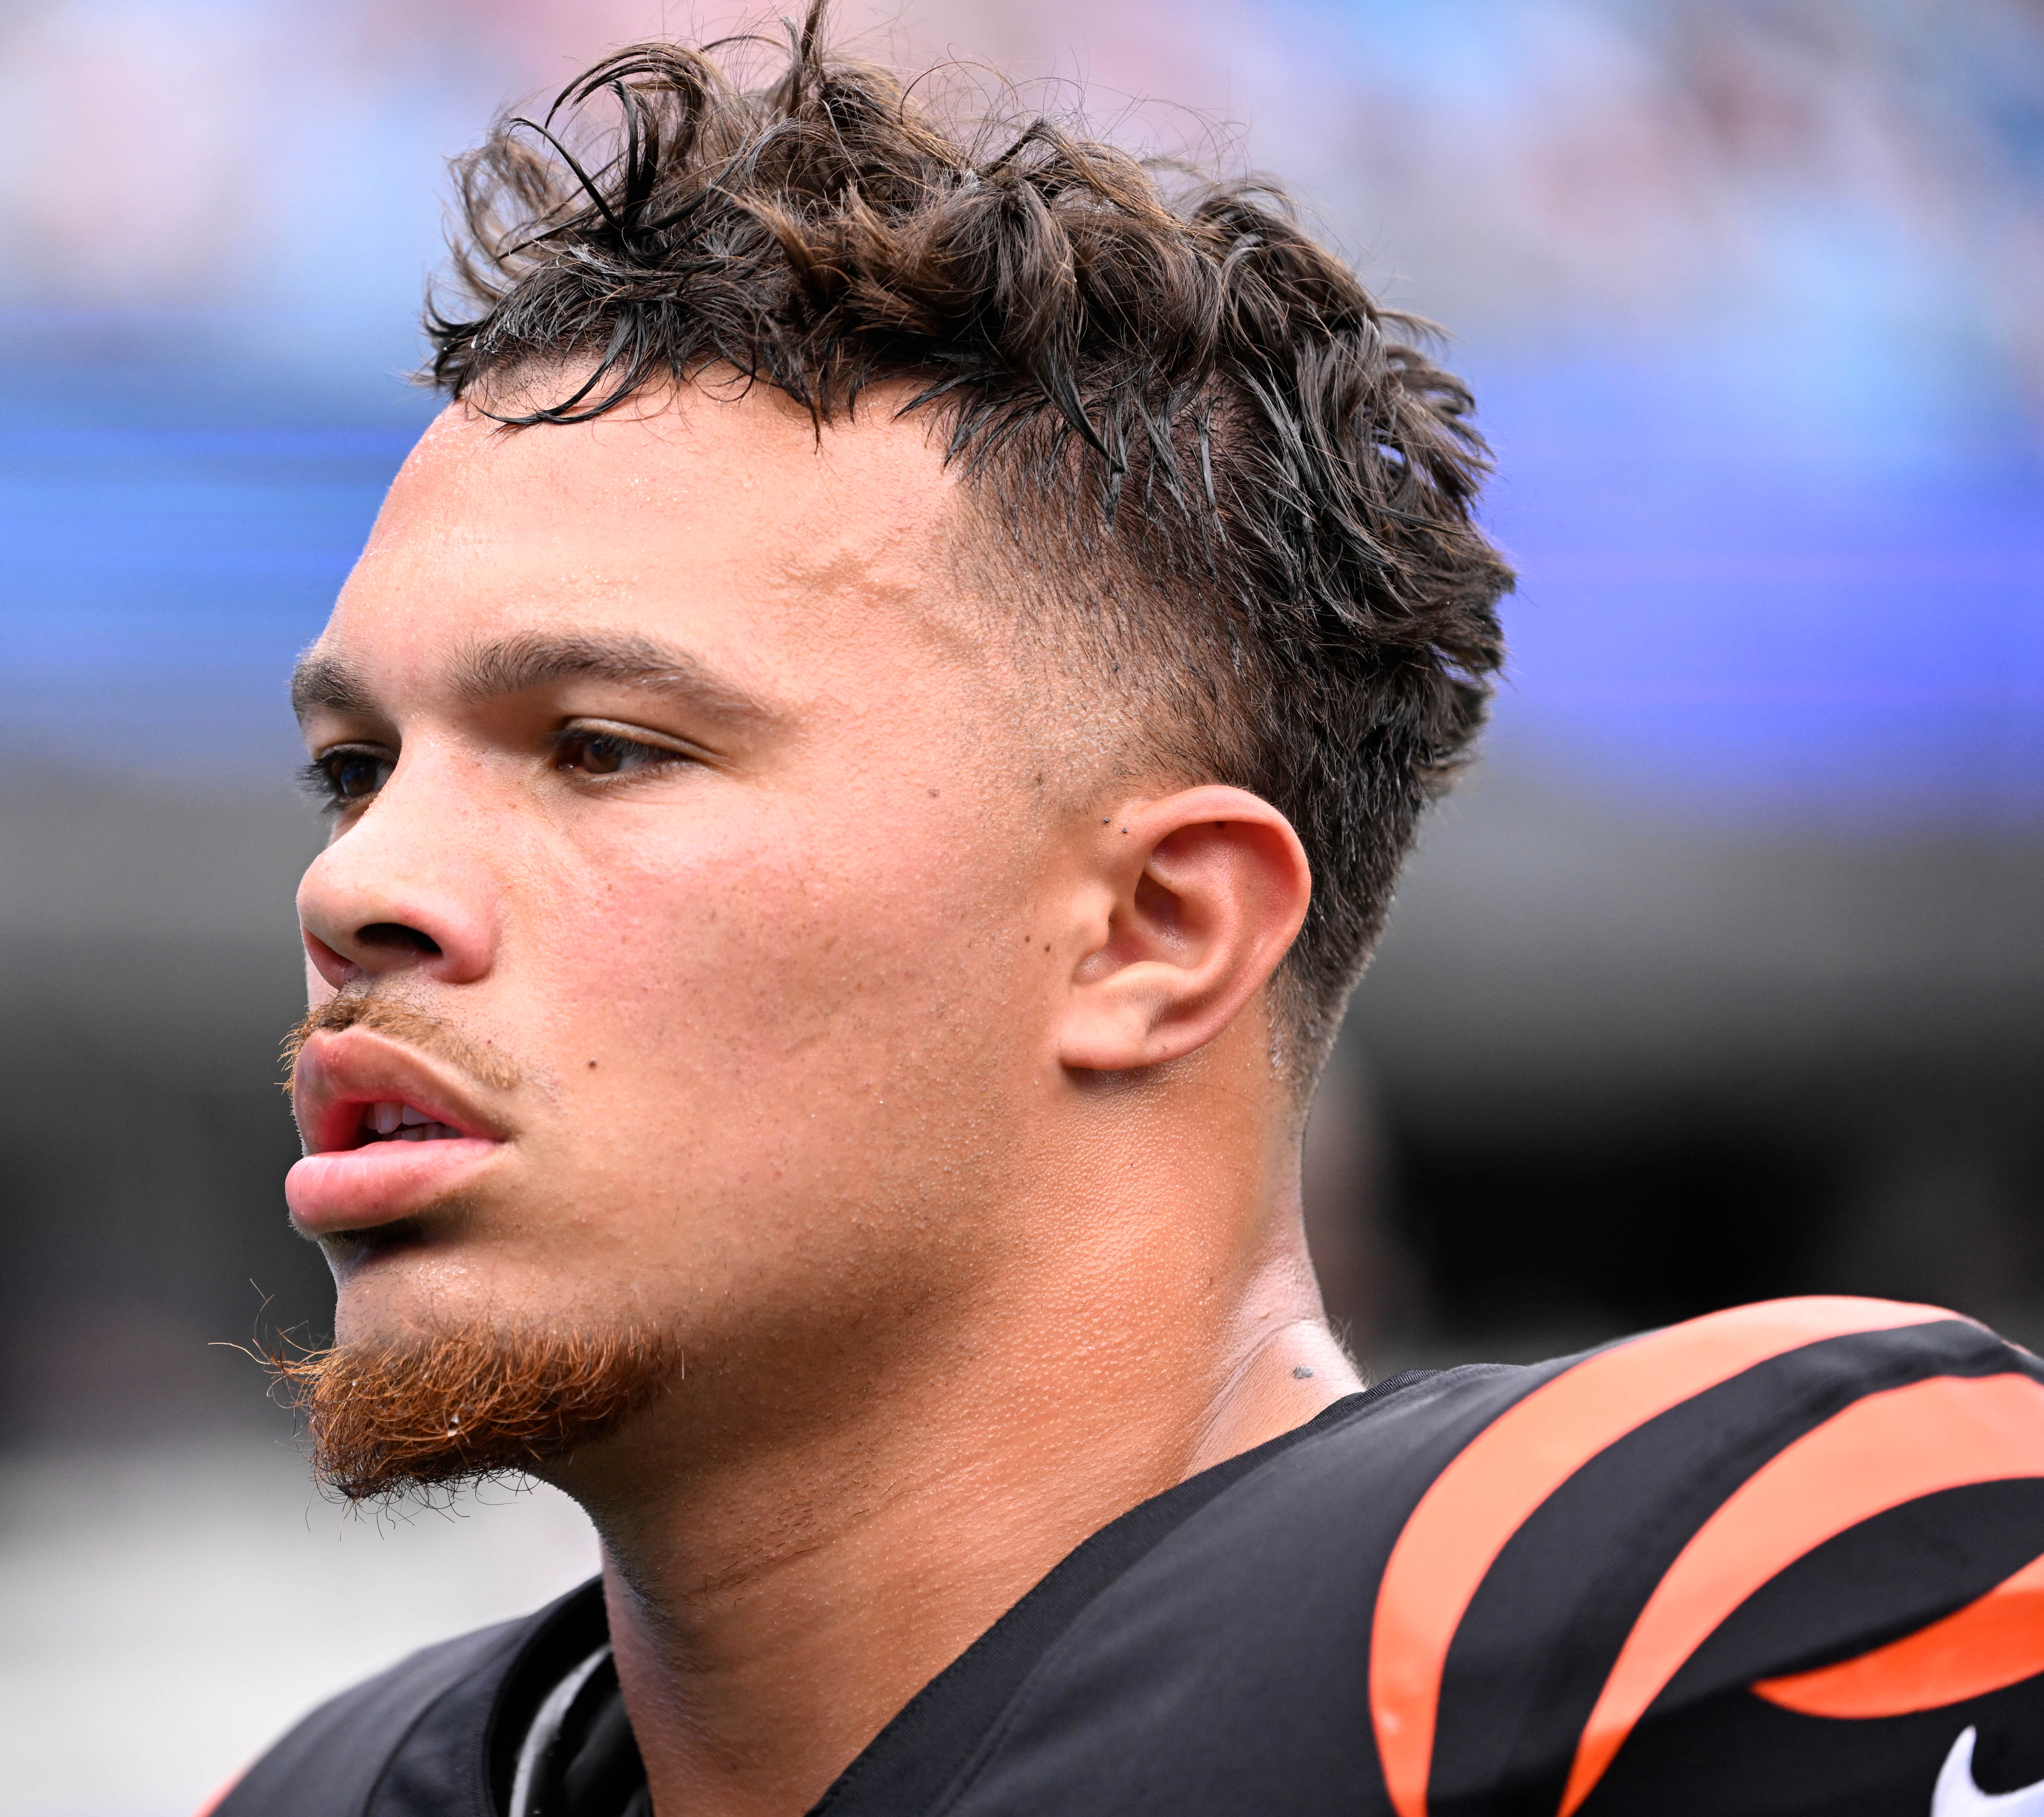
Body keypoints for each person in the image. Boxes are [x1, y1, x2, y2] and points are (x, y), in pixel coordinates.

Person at [217, 11, 2044, 1814]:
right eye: (354, 767)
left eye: (603, 749)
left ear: (1155, 933)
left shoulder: (1705, 1602)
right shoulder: (334, 1788)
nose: (358, 884)